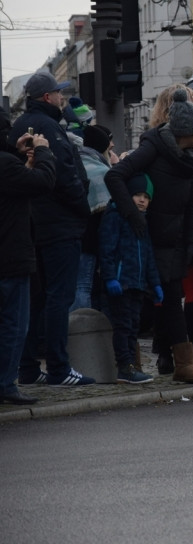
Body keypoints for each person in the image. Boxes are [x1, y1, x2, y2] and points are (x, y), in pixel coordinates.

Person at [104, 88, 193, 384]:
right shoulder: (152, 147)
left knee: (173, 299)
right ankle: (129, 364)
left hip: (174, 240)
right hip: (143, 238)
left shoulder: (192, 156)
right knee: (137, 304)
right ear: (186, 132)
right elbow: (115, 176)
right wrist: (133, 216)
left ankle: (183, 364)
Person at [8, 71, 94, 387]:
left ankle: (28, 367)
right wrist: (84, 211)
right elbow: (66, 176)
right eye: (58, 93)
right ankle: (59, 368)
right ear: (47, 97)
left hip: (30, 225)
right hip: (59, 225)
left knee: (35, 299)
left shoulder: (20, 127)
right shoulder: (49, 128)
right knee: (60, 297)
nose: (62, 98)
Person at [0, 112, 57, 405]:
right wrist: (45, 150)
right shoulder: (6, 165)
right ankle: (5, 384)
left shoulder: (8, 163)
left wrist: (16, 152)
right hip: (11, 258)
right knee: (13, 324)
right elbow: (44, 182)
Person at [99, 173, 164, 384]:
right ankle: (124, 366)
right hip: (121, 283)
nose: (142, 200)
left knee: (133, 326)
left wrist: (154, 283)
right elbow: (106, 249)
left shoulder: (142, 222)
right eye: (137, 195)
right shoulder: (116, 216)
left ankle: (130, 365)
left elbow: (149, 256)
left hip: (137, 284)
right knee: (123, 326)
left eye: (146, 196)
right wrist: (110, 278)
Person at [71, 124, 114, 312]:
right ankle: (83, 332)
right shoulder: (101, 172)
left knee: (78, 285)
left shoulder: (75, 163)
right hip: (91, 240)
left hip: (71, 236)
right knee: (84, 286)